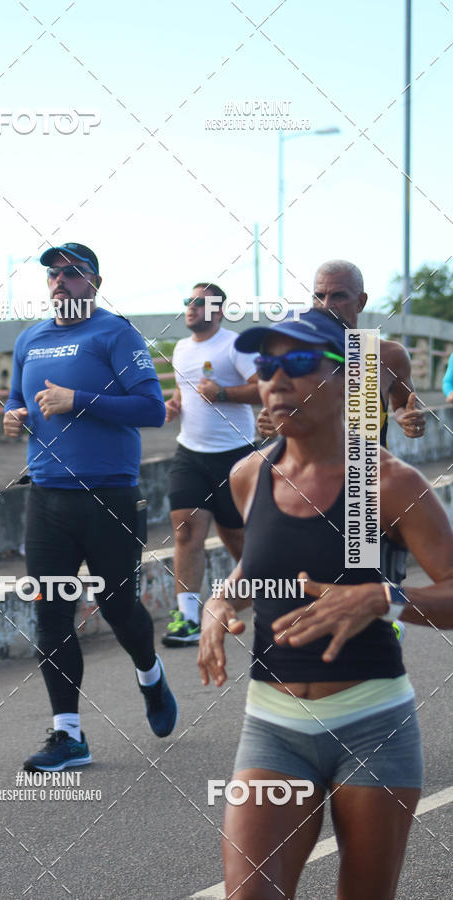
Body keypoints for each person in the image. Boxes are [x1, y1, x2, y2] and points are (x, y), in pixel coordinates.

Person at [198, 308, 453, 899]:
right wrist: (221, 598)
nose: (276, 380)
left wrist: (383, 599)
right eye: (266, 365)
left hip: (372, 724)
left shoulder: (387, 482)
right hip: (273, 725)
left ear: (346, 380)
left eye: (301, 362)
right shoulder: (247, 476)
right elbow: (255, 565)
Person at [3, 242, 178, 772]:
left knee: (119, 607)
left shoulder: (116, 333)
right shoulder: (29, 339)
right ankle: (69, 735)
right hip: (47, 495)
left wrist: (79, 401)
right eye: (53, 273)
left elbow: (152, 409)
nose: (60, 280)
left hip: (110, 495)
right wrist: (15, 417)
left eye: (73, 272)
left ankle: (149, 673)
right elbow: (16, 399)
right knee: (50, 612)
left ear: (94, 282)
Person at [162, 282, 260, 647]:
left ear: (218, 311)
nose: (190, 307)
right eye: (188, 301)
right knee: (186, 532)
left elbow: (264, 388)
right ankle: (187, 619)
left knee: (237, 538)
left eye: (199, 303)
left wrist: (223, 393)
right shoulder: (181, 348)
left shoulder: (235, 344)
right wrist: (175, 405)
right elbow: (183, 390)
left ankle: (268, 598)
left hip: (236, 456)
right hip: (190, 453)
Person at [256, 260, 426, 445]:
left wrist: (408, 418)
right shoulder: (296, 354)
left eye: (338, 296)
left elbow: (404, 404)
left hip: (363, 471)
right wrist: (269, 421)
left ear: (361, 302)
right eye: (319, 296)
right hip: (309, 471)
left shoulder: (388, 354)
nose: (326, 305)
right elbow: (276, 408)